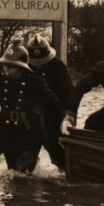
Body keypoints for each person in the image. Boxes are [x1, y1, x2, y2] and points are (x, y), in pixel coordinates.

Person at [0, 40, 63, 173]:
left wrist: (63, 124)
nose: (6, 68)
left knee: (24, 170)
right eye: (5, 65)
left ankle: (32, 181)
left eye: (11, 66)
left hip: (30, 130)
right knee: (12, 171)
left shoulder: (34, 81)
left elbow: (53, 103)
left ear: (21, 66)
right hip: (7, 130)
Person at [26, 34, 72, 170]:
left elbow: (68, 94)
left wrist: (66, 118)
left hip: (54, 114)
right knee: (27, 153)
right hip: (29, 116)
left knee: (58, 151)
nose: (39, 66)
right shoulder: (23, 66)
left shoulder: (58, 66)